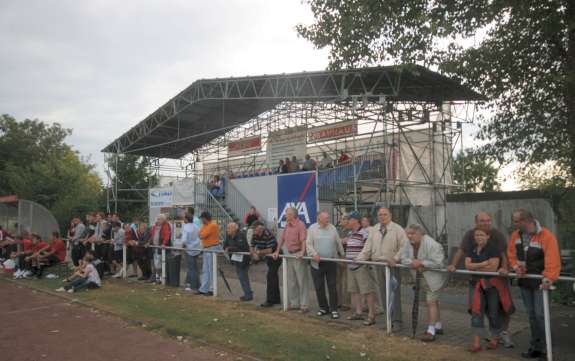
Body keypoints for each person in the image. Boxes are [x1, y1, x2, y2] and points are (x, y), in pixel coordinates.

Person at [447, 211, 514, 348]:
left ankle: (501, 334)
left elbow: (503, 256)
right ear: (476, 223)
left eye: (488, 220)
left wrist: (504, 268)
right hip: (476, 283)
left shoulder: (497, 237)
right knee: (476, 310)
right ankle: (478, 341)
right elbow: (461, 252)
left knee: (498, 310)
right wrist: (453, 264)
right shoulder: (470, 240)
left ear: (488, 236)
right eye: (482, 221)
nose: (486, 223)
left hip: (495, 282)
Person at [507, 210, 560, 359]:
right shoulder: (516, 236)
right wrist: (517, 267)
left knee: (540, 316)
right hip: (525, 282)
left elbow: (553, 259)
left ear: (526, 221)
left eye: (516, 221)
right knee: (531, 316)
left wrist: (548, 279)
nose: (514, 224)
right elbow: (511, 254)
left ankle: (546, 349)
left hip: (541, 283)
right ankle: (535, 347)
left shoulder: (546, 236)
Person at [356, 207, 408, 329]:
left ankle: (397, 321)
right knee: (383, 294)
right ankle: (388, 319)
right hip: (379, 265)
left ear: (390, 215)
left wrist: (395, 258)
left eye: (385, 214)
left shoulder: (397, 229)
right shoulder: (374, 229)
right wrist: (358, 259)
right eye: (380, 215)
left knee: (394, 294)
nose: (382, 217)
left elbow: (405, 246)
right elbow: (367, 248)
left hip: (392, 266)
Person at [465, 228, 514, 353]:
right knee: (476, 313)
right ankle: (476, 343)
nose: (479, 237)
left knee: (494, 313)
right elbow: (467, 265)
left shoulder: (493, 249)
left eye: (481, 235)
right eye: (476, 235)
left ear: (488, 236)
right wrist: (484, 263)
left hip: (492, 285)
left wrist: (475, 267)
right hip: (476, 285)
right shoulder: (471, 248)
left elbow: (492, 269)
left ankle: (494, 339)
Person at [397, 224, 447, 341]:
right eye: (408, 233)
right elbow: (403, 258)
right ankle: (438, 325)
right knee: (432, 302)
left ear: (421, 233)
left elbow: (439, 263)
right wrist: (414, 262)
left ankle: (431, 331)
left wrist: (422, 263)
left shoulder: (433, 244)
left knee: (431, 302)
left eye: (413, 233)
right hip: (421, 279)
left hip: (434, 279)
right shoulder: (407, 244)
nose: (409, 236)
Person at [306, 211, 344, 319]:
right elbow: (308, 244)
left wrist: (342, 255)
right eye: (326, 218)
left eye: (328, 217)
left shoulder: (332, 228)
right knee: (319, 287)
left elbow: (338, 242)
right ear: (319, 219)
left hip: (331, 261)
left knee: (332, 286)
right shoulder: (312, 228)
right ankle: (323, 308)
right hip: (317, 263)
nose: (328, 219)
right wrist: (314, 254)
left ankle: (334, 309)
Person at [345, 211, 378, 325]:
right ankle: (358, 312)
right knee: (354, 291)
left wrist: (363, 261)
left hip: (361, 267)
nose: (347, 222)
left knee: (367, 291)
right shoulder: (350, 233)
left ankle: (371, 315)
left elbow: (368, 249)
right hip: (350, 267)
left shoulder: (364, 233)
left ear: (355, 220)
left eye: (349, 219)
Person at [274, 207, 309, 312]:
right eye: (285, 213)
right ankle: (294, 303)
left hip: (298, 255)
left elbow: (303, 240)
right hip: (289, 255)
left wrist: (302, 252)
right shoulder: (287, 225)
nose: (285, 215)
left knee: (302, 281)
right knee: (292, 281)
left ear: (293, 215)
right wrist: (277, 251)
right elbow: (282, 239)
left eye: (287, 214)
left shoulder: (301, 225)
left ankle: (304, 305)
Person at [251, 221, 282, 307]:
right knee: (274, 277)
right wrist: (254, 254)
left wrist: (258, 252)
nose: (254, 231)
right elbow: (252, 246)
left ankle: (270, 300)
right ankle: (276, 299)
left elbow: (270, 250)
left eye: (255, 229)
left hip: (275, 257)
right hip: (268, 257)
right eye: (253, 229)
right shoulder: (255, 234)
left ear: (260, 228)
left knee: (270, 277)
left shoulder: (268, 234)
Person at [224, 222, 253, 301]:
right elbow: (225, 245)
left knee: (243, 277)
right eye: (227, 228)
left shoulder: (241, 235)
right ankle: (248, 293)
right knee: (242, 277)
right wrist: (229, 248)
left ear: (234, 229)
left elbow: (241, 248)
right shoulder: (229, 236)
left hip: (244, 260)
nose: (227, 230)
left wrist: (230, 248)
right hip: (235, 260)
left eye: (229, 228)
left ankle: (248, 295)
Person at [198, 211, 221, 295]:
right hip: (206, 248)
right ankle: (204, 289)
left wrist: (201, 234)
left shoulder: (213, 225)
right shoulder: (205, 225)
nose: (201, 220)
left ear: (205, 218)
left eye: (202, 218)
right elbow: (199, 234)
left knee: (211, 269)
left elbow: (202, 235)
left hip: (212, 248)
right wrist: (201, 234)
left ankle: (212, 289)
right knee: (205, 270)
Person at [147, 214, 171, 283]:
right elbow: (152, 236)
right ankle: (158, 278)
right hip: (155, 248)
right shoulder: (155, 227)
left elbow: (167, 236)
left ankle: (160, 278)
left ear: (163, 220)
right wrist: (149, 242)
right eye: (157, 219)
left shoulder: (166, 226)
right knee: (156, 264)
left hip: (161, 248)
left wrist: (164, 244)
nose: (157, 220)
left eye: (159, 219)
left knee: (160, 264)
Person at [182, 212, 201, 292]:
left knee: (191, 268)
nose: (183, 219)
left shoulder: (186, 227)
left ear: (186, 219)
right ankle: (198, 284)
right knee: (195, 268)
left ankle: (193, 286)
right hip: (196, 249)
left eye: (184, 218)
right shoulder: (196, 226)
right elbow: (199, 237)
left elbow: (184, 239)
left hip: (189, 249)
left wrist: (184, 245)